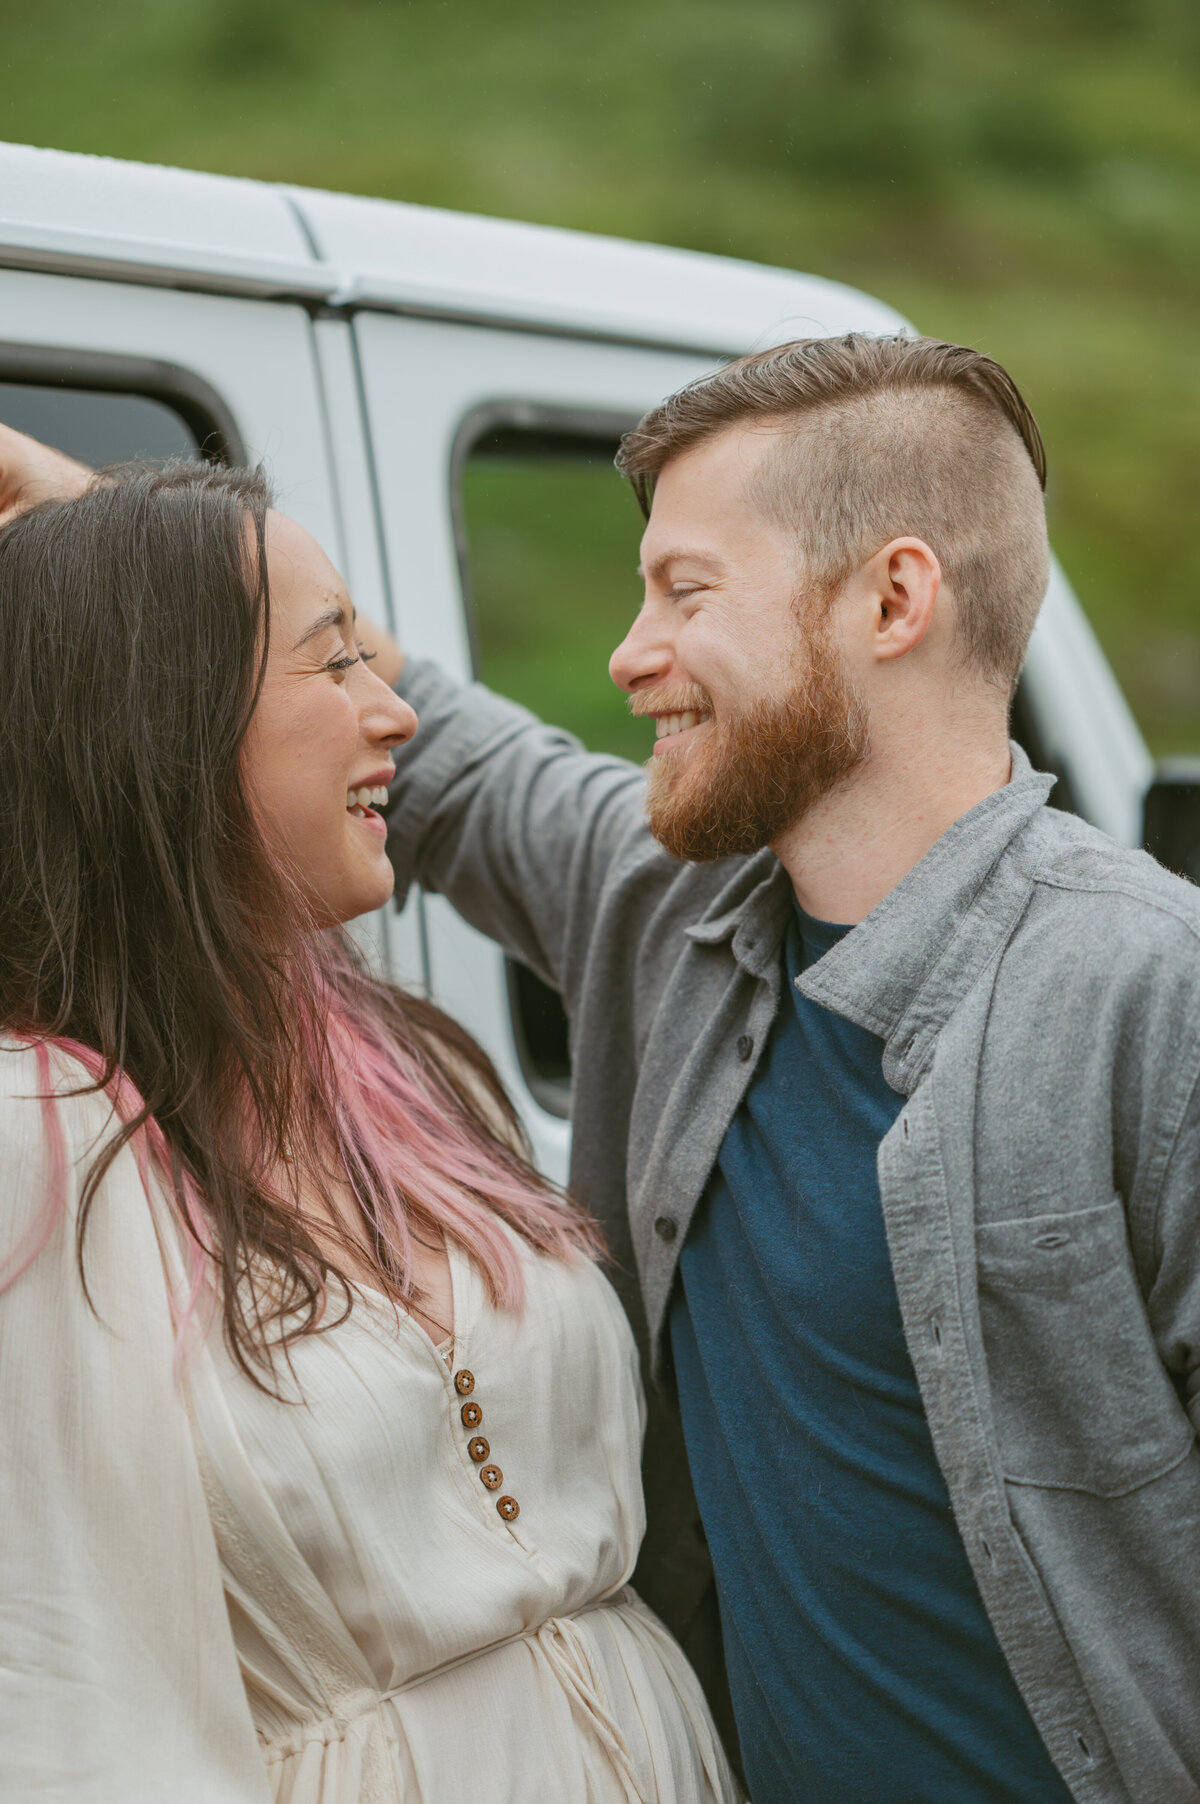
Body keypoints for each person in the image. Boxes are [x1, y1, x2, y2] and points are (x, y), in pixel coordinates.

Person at [371, 334, 1200, 1803]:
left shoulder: (1154, 991)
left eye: (686, 593)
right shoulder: (670, 912)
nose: (630, 656)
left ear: (893, 599)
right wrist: (123, 535)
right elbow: (461, 769)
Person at [0, 447, 740, 1804]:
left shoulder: (406, 1073)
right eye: (335, 663)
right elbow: (62, 1698)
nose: (394, 711)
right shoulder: (36, 1138)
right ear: (163, 721)